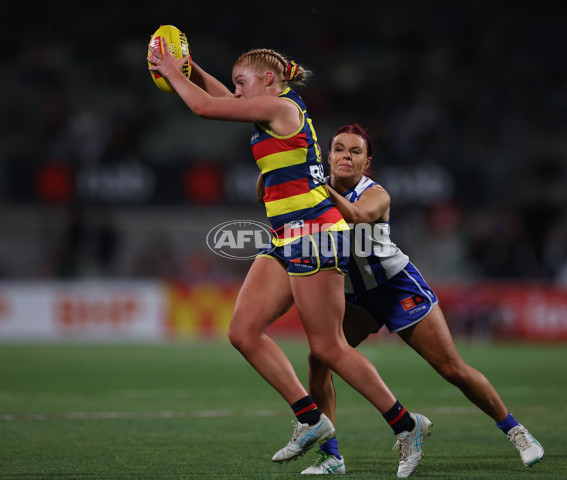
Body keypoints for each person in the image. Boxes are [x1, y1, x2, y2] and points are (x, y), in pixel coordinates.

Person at [148, 41, 431, 477]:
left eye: (243, 82)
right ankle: (311, 420)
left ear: (267, 80)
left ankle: (407, 425)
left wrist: (171, 69)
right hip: (285, 236)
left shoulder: (283, 109)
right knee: (243, 332)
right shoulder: (269, 109)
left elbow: (206, 108)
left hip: (317, 233)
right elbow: (221, 99)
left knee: (328, 348)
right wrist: (190, 67)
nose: (237, 91)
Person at [296, 123, 544, 475]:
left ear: (368, 162)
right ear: (328, 155)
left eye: (355, 151)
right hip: (357, 299)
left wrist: (315, 188)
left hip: (398, 289)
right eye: (338, 149)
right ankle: (332, 457)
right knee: (319, 358)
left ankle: (516, 431)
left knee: (452, 369)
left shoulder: (375, 193)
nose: (345, 156)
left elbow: (356, 216)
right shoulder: (312, 194)